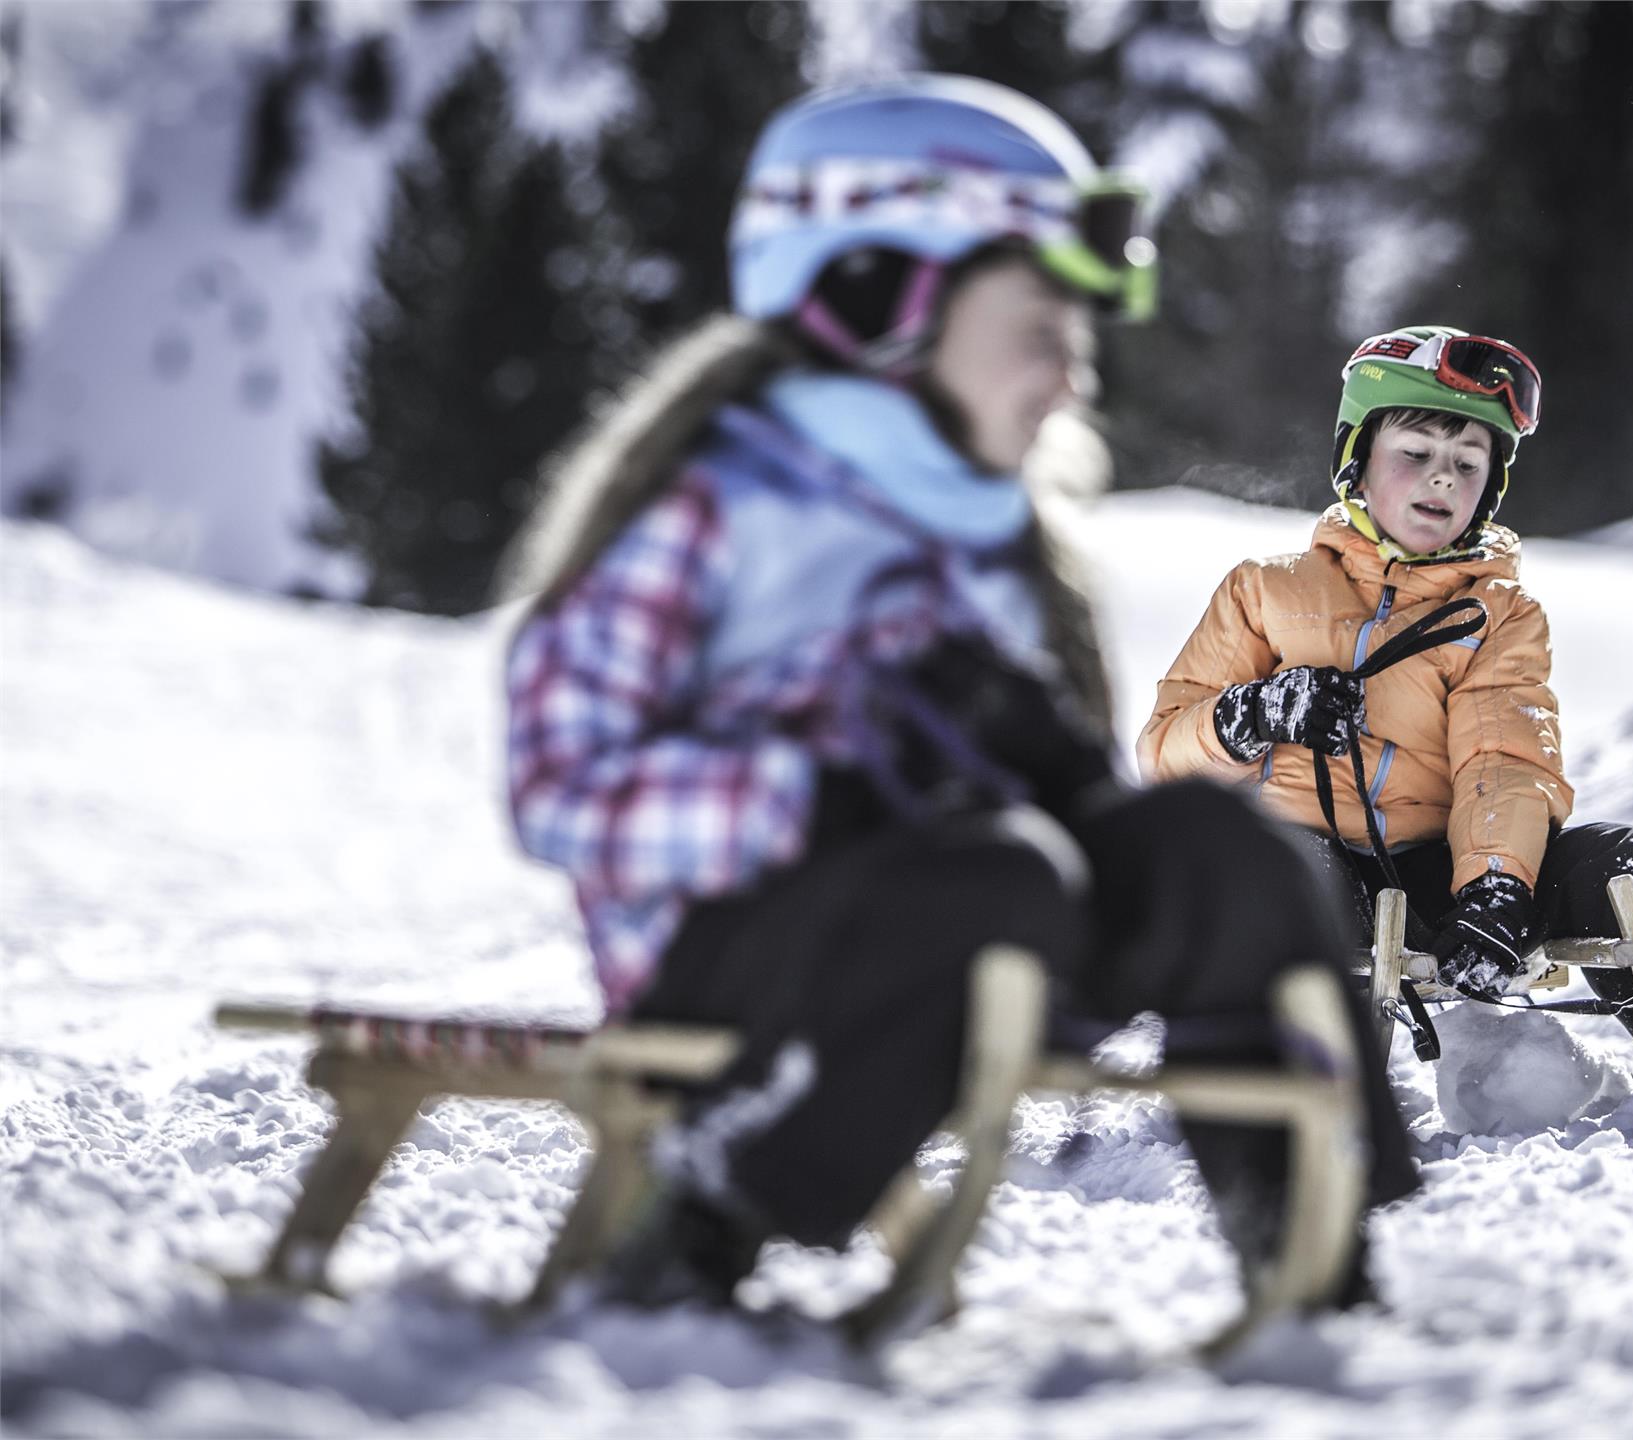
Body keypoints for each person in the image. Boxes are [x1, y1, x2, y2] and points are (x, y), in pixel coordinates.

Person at [501, 77, 1417, 1313]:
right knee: (994, 874)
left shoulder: (989, 542)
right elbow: (557, 790)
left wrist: (1052, 773)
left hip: (988, 924)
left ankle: (1304, 1220)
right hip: (739, 971)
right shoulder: (714, 513)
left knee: (1218, 842)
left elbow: (1049, 787)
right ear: (875, 294)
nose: (1072, 380)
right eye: (1042, 329)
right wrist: (812, 792)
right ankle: (707, 1210)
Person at [1136, 325, 1633, 1121]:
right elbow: (1166, 751)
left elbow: (1504, 756)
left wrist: (1495, 887)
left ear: (1489, 488)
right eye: (1414, 453)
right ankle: (1274, 1069)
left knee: (1617, 858)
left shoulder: (1499, 616)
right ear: (1357, 457)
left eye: (1465, 464)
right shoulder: (1263, 591)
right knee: (1270, 865)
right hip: (1301, 860)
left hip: (1440, 869)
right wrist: (1251, 715)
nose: (1439, 480)